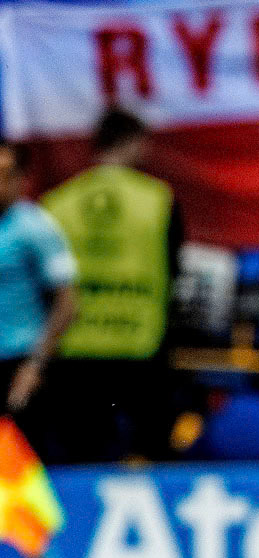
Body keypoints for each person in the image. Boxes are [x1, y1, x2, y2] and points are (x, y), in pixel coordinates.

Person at [40, 108, 182, 464]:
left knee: (81, 458)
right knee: (150, 456)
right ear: (134, 143)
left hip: (77, 348)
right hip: (140, 344)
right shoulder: (158, 199)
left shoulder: (57, 203)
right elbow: (175, 268)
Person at [0, 138, 80, 558]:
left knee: (19, 484)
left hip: (15, 367)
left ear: (19, 178)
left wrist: (35, 365)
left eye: (5, 172)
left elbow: (67, 302)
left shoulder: (34, 227)